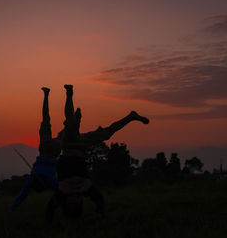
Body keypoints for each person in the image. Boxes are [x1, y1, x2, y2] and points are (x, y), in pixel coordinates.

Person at [45, 85, 150, 222]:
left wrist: (49, 221)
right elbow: (99, 200)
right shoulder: (87, 189)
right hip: (83, 144)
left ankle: (69, 94)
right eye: (75, 204)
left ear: (64, 203)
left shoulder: (61, 192)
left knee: (70, 124)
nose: (73, 201)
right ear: (80, 202)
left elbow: (50, 209)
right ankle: (131, 116)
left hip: (69, 143)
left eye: (70, 204)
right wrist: (101, 213)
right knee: (106, 133)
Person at [11, 87, 61, 210]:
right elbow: (22, 194)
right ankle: (46, 95)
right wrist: (13, 207)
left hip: (54, 152)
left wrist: (13, 208)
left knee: (65, 132)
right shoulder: (32, 178)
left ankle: (73, 118)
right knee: (45, 118)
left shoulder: (50, 181)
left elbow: (22, 196)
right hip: (43, 149)